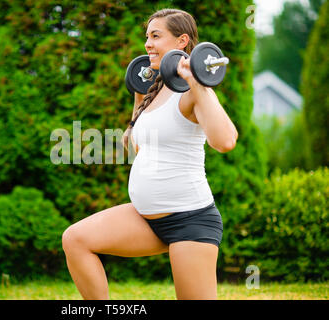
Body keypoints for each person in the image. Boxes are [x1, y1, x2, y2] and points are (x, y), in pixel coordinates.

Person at [62, 8, 238, 300]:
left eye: (156, 36)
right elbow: (136, 148)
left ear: (182, 41)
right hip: (146, 219)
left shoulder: (195, 91)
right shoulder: (156, 91)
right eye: (147, 36)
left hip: (189, 221)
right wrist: (139, 98)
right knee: (76, 239)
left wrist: (196, 81)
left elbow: (226, 141)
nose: (147, 43)